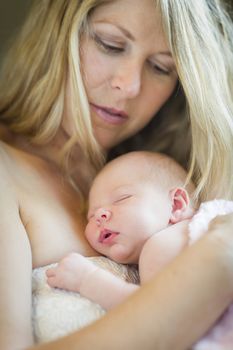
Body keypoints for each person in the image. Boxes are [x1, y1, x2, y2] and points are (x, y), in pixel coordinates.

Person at [0, 0, 232, 349]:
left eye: (160, 67)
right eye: (110, 45)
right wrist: (219, 256)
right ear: (58, 31)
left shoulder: (170, 174)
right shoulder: (7, 170)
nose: (130, 85)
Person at [46, 151, 233, 350]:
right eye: (92, 215)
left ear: (176, 204)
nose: (100, 214)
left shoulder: (162, 244)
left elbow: (155, 315)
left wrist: (87, 279)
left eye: (122, 199)